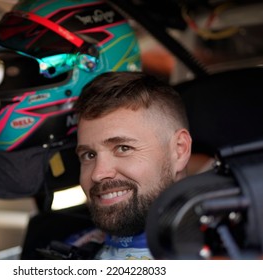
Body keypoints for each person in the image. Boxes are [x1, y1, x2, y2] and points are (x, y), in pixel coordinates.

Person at [72, 71, 192, 259]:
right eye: (89, 155)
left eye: (123, 148)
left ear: (179, 149)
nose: (98, 173)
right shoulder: (76, 244)